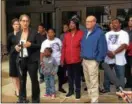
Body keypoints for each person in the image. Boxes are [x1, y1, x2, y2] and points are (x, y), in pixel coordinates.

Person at [81, 15, 107, 103]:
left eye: (89, 21)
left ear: (94, 22)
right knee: (87, 81)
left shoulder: (100, 33)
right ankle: (91, 98)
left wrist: (97, 60)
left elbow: (103, 48)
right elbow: (83, 45)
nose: (87, 23)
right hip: (85, 60)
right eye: (86, 21)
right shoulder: (85, 32)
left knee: (93, 81)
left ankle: (95, 101)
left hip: (93, 61)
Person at [15, 14, 40, 103]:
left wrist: (31, 44)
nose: (25, 23)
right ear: (20, 22)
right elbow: (18, 45)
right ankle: (22, 99)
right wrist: (16, 48)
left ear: (29, 22)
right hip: (21, 60)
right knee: (22, 80)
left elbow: (40, 45)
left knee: (34, 81)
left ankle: (35, 100)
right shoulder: (18, 34)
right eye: (23, 21)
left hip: (32, 61)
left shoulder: (34, 33)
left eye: (27, 21)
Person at [104, 18, 129, 93]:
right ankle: (106, 90)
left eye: (116, 23)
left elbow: (124, 45)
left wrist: (114, 53)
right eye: (112, 23)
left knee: (120, 75)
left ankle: (120, 91)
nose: (114, 24)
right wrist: (108, 52)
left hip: (119, 58)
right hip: (108, 57)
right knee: (107, 75)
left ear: (120, 24)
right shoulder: (107, 34)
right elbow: (103, 45)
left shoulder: (124, 33)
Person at [61, 18, 84, 100]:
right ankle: (71, 91)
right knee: (69, 76)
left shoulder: (81, 33)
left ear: (76, 24)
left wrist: (81, 57)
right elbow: (63, 47)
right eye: (70, 23)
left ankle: (78, 92)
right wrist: (62, 59)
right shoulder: (66, 35)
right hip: (68, 60)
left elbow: (83, 46)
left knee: (77, 76)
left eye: (73, 23)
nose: (71, 25)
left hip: (77, 59)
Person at [40, 28, 66, 93]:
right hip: (49, 64)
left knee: (61, 76)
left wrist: (62, 60)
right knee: (50, 78)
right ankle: (50, 90)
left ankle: (60, 87)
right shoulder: (44, 42)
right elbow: (42, 53)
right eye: (49, 32)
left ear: (54, 33)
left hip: (58, 62)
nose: (50, 34)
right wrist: (41, 62)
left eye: (52, 32)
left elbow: (62, 50)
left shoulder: (58, 40)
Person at [7, 18, 20, 97]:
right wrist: (13, 49)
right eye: (15, 24)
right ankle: (17, 90)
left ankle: (19, 88)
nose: (17, 26)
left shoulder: (22, 33)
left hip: (20, 56)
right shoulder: (10, 35)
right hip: (12, 56)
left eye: (18, 24)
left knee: (19, 74)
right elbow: (8, 47)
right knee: (13, 74)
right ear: (12, 26)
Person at [124, 17, 132, 88]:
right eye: (129, 20)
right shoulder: (125, 30)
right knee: (127, 69)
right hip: (126, 52)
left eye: (131, 20)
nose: (130, 22)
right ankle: (129, 83)